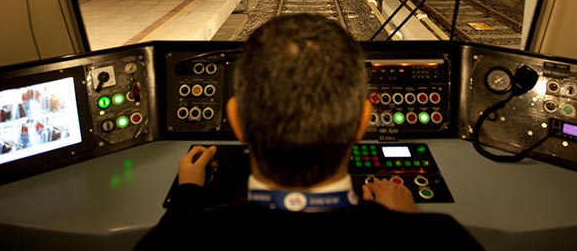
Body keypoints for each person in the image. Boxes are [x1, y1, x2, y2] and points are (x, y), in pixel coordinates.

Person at [135, 13, 482, 250]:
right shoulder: (444, 241)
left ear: (236, 121)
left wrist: (188, 195)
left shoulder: (174, 239)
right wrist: (405, 226)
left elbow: (181, 231)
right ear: (363, 122)